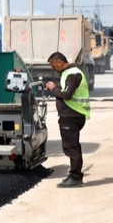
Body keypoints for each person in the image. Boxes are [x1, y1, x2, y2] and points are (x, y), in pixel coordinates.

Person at [44, 51, 90, 187]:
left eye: (53, 65)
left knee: (72, 147)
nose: (53, 68)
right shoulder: (68, 73)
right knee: (71, 146)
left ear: (59, 62)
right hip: (70, 115)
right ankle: (74, 175)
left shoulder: (72, 74)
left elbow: (67, 94)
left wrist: (53, 88)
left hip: (72, 115)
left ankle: (75, 177)